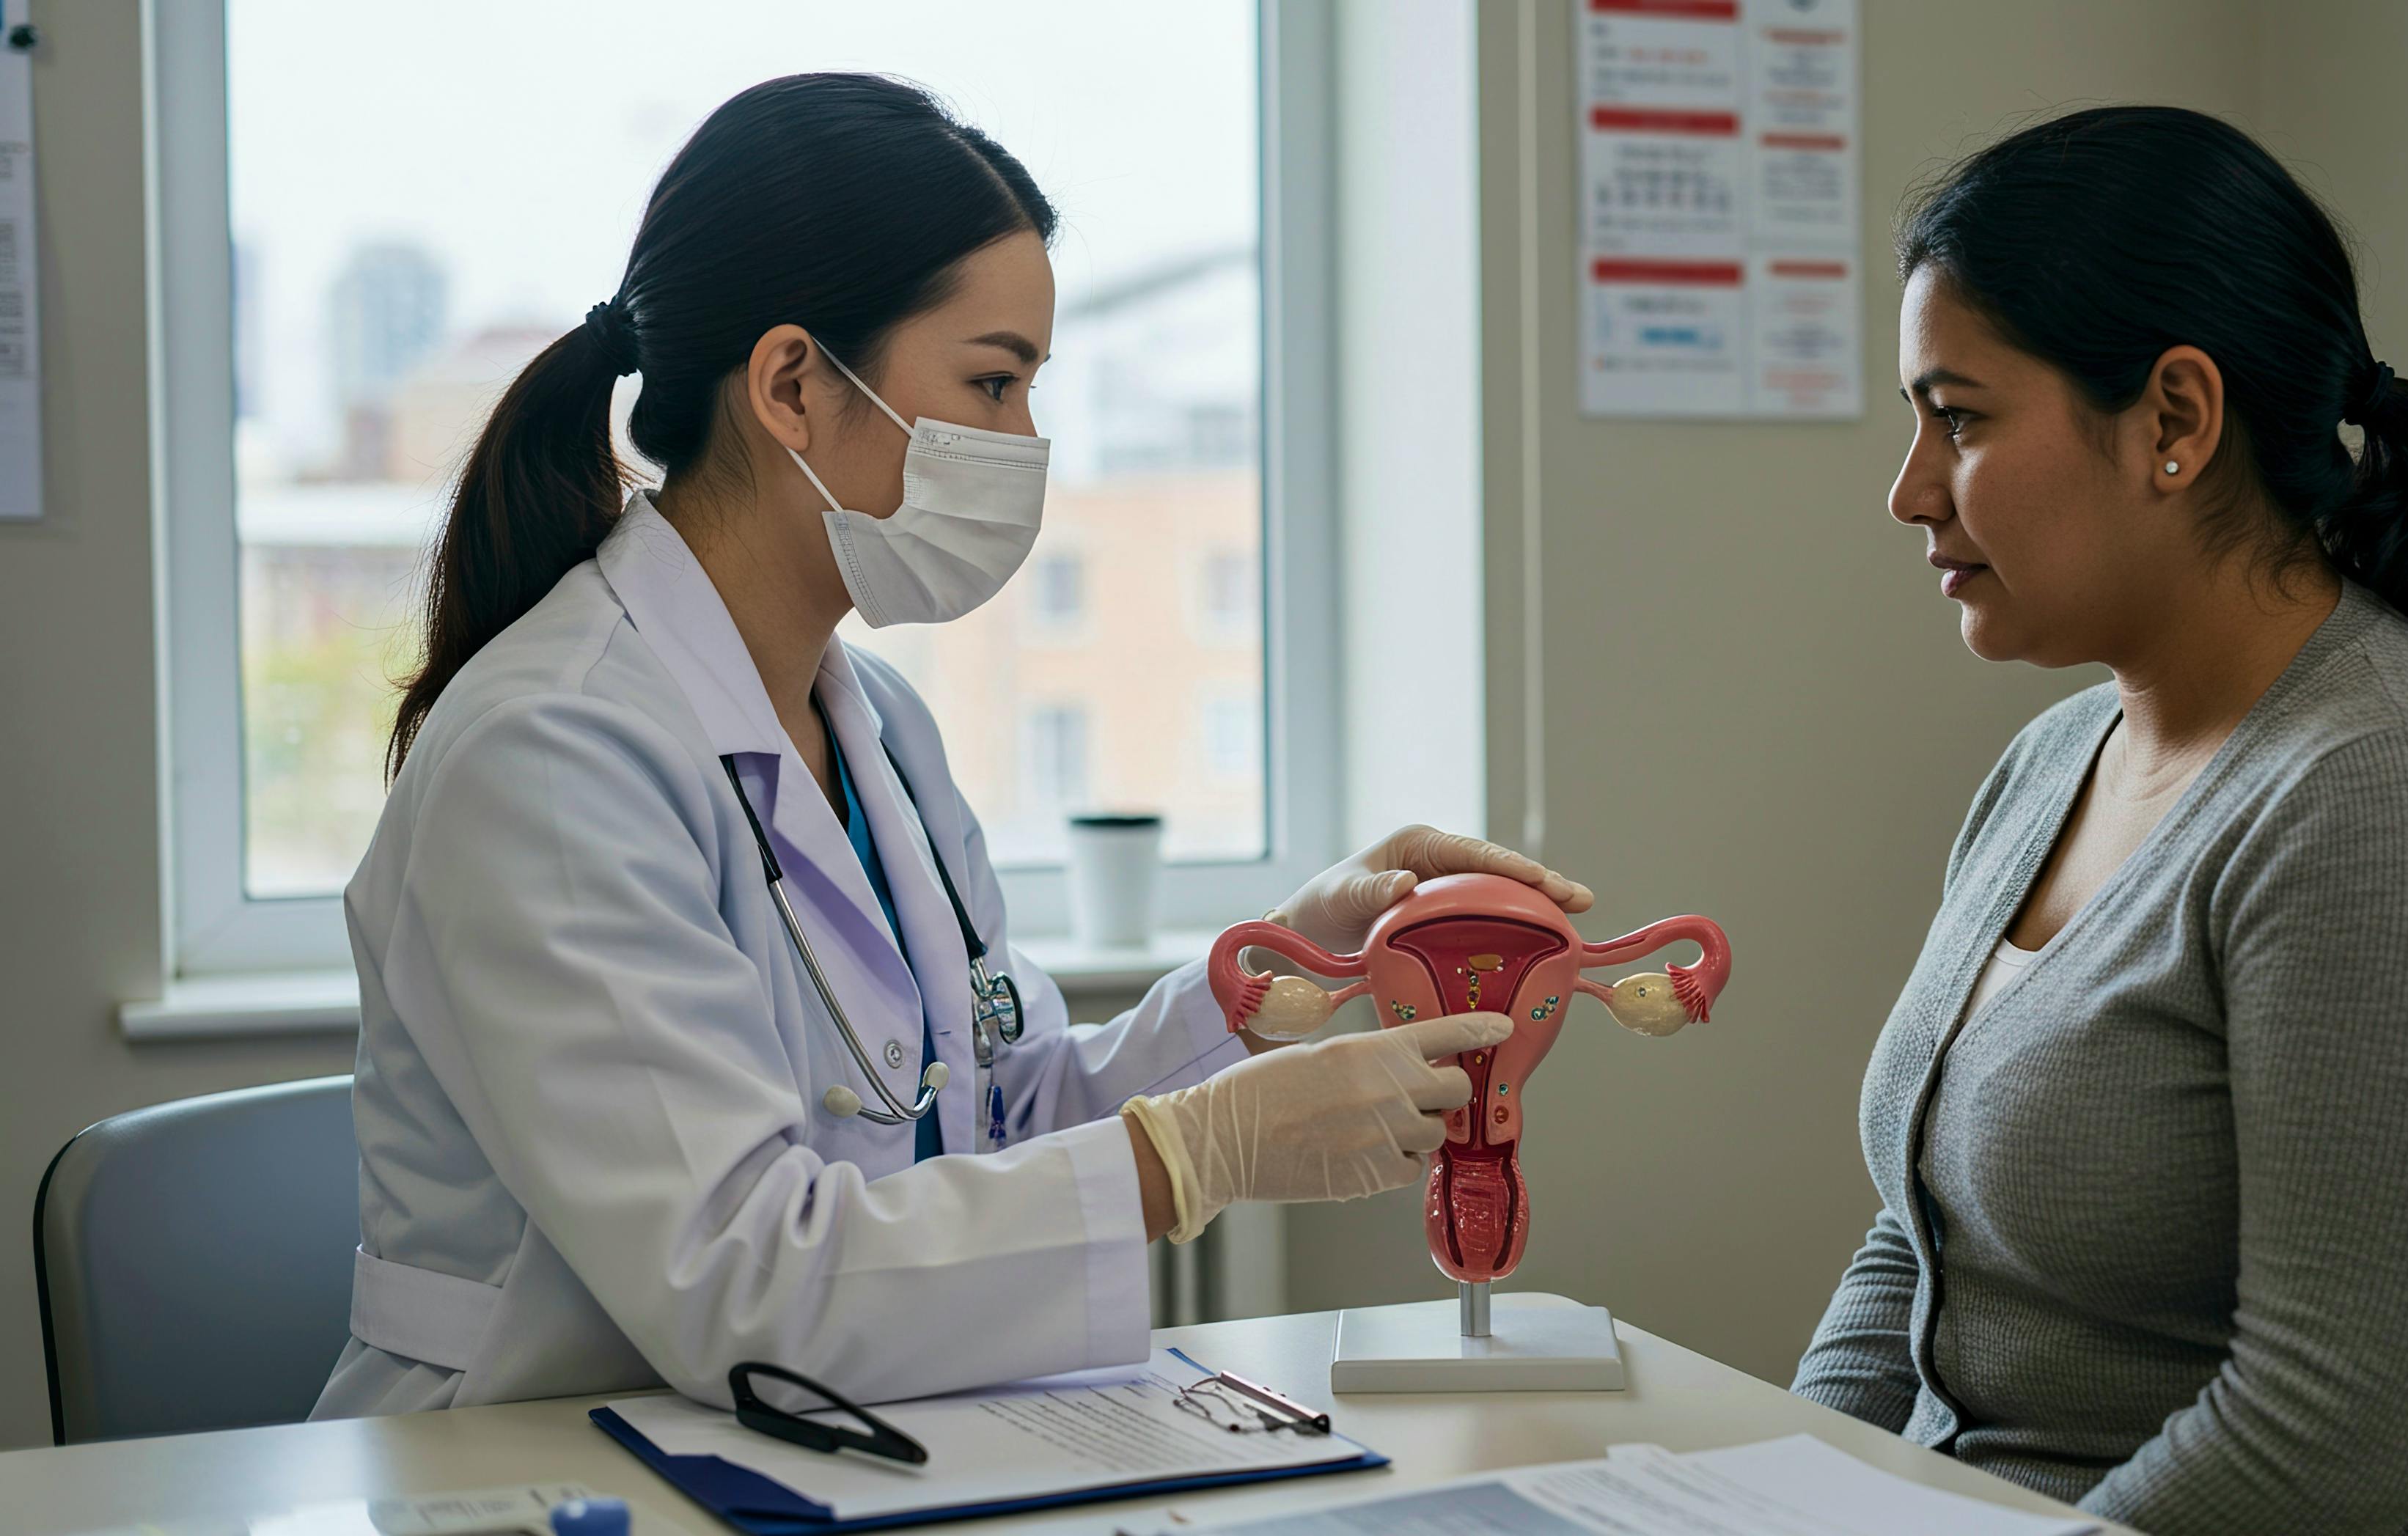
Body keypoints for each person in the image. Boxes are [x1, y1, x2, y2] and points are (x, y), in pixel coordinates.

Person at [311, 73, 1586, 1418]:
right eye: (993, 381)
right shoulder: (552, 754)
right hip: (539, 1455)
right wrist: (1188, 1158)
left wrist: (1277, 973)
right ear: (793, 385)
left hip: (826, 1436)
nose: (1026, 443)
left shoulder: (879, 730)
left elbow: (999, 1117)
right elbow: (739, 1283)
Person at [1791, 106, 2408, 1535]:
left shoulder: (2403, 798)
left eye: (1960, 417)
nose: (1909, 490)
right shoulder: (2052, 764)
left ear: (2176, 422)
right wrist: (1779, 1497)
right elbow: (1922, 1243)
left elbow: (2328, 1440)